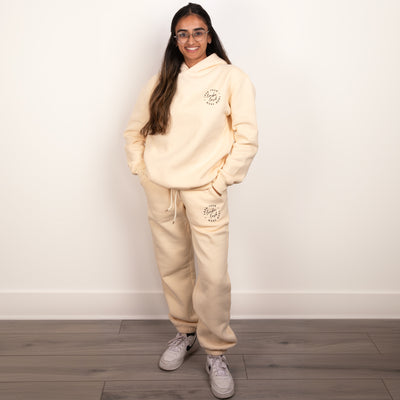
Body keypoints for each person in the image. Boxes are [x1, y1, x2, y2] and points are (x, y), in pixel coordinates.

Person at [123, 3, 258, 398]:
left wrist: (222, 181)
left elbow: (247, 137)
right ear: (174, 40)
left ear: (210, 35)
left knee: (213, 275)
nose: (190, 40)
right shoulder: (161, 81)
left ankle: (217, 351)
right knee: (173, 267)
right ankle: (185, 332)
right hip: (161, 190)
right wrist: (143, 173)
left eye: (197, 32)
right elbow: (134, 132)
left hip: (206, 191)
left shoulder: (232, 78)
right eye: (182, 34)